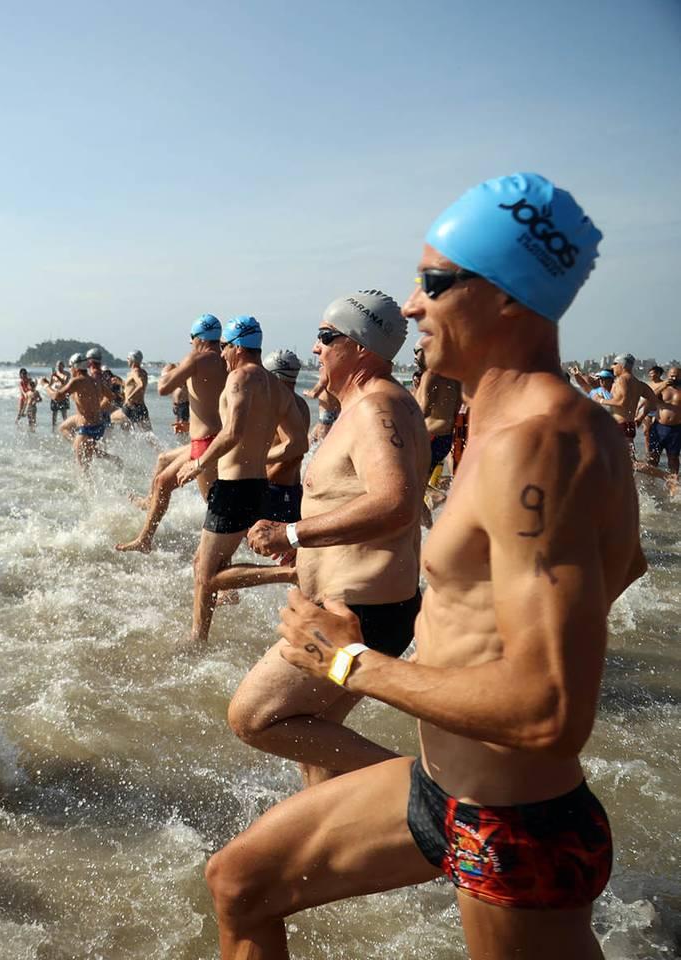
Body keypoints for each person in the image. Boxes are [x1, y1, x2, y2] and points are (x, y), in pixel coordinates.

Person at [207, 173, 637, 960]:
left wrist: (346, 662)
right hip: (440, 784)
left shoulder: (537, 441)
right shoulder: (526, 421)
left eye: (433, 284)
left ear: (507, 296)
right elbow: (627, 562)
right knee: (240, 884)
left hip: (512, 823)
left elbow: (549, 713)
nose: (411, 308)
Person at [228, 294, 427, 788]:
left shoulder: (376, 408)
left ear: (359, 346)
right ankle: (327, 844)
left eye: (324, 337)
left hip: (358, 613)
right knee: (314, 736)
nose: (315, 350)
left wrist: (292, 531)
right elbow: (373, 501)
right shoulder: (372, 405)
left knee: (255, 718)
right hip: (364, 608)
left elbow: (396, 503)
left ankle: (423, 786)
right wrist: (311, 544)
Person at [178, 317, 305, 644]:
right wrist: (262, 457)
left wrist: (199, 462)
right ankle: (199, 636)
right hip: (259, 486)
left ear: (236, 346)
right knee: (203, 566)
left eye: (224, 348)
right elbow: (298, 443)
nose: (221, 355)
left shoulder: (238, 379)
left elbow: (232, 432)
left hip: (233, 488)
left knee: (207, 575)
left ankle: (290, 573)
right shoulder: (276, 386)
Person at [204, 349, 311, 596]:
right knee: (283, 552)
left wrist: (258, 461)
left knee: (220, 546)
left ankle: (226, 590)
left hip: (274, 487)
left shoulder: (279, 401)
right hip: (291, 491)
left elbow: (293, 452)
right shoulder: (299, 404)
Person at [116, 316, 227, 553]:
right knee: (163, 459)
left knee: (214, 508)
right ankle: (149, 503)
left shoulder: (196, 358)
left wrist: (170, 370)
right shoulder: (228, 358)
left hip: (205, 444)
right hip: (218, 438)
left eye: (191, 341)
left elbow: (163, 388)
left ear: (198, 338)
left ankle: (146, 540)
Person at [50, 353, 121, 473]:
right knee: (63, 428)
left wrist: (46, 385)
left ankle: (91, 490)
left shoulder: (77, 381)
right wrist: (97, 408)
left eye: (70, 367)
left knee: (83, 468)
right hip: (99, 425)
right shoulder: (95, 381)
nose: (70, 370)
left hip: (88, 427)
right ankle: (112, 458)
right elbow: (112, 396)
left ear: (75, 367)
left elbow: (57, 396)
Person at [414, 345, 461, 487]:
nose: (415, 357)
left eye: (417, 352)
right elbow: (457, 406)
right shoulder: (455, 377)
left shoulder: (430, 375)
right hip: (445, 439)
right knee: (423, 484)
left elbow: (422, 410)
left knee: (415, 484)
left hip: (430, 436)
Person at [593, 352, 657, 450]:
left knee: (616, 459)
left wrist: (600, 400)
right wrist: (641, 416)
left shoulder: (621, 380)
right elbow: (653, 400)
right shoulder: (638, 383)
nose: (612, 366)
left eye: (614, 363)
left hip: (619, 425)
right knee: (628, 459)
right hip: (629, 425)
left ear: (621, 365)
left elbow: (622, 402)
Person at [121, 351, 152, 431]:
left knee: (111, 417)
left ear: (132, 359)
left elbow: (140, 384)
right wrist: (120, 382)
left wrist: (130, 397)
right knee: (149, 436)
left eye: (128, 359)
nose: (127, 360)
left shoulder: (135, 372)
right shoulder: (143, 372)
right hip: (141, 407)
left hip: (131, 406)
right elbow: (130, 386)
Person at [46, 359, 71, 431]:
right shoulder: (54, 374)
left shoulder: (67, 374)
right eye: (57, 366)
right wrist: (46, 382)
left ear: (63, 366)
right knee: (54, 413)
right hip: (55, 394)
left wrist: (57, 376)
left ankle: (66, 428)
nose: (59, 368)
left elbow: (65, 384)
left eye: (60, 366)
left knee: (64, 413)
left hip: (63, 394)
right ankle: (53, 428)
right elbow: (50, 384)